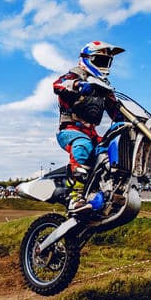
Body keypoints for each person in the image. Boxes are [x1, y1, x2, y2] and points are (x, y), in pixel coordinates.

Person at [53, 40, 125, 214]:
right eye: (100, 61)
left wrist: (128, 120)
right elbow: (58, 85)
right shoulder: (73, 76)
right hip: (70, 130)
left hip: (92, 133)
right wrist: (78, 86)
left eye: (106, 62)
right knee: (82, 146)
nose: (104, 66)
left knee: (111, 149)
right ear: (87, 59)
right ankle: (74, 197)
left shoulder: (104, 87)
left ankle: (103, 192)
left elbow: (116, 111)